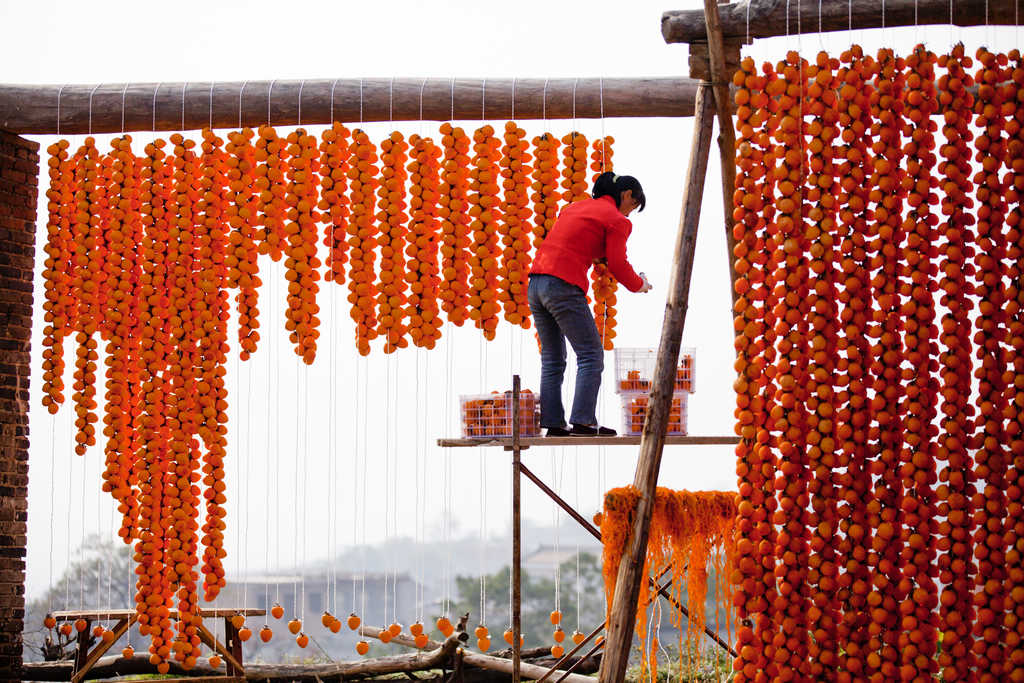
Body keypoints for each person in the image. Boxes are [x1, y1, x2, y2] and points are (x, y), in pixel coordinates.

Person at [528, 172, 652, 437]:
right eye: (632, 206)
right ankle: (583, 421)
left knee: (552, 358)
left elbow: (578, 241)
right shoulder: (617, 220)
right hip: (563, 285)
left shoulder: (574, 208)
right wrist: (638, 284)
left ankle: (553, 422)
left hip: (536, 284)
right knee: (591, 354)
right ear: (627, 194)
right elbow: (618, 264)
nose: (629, 214)